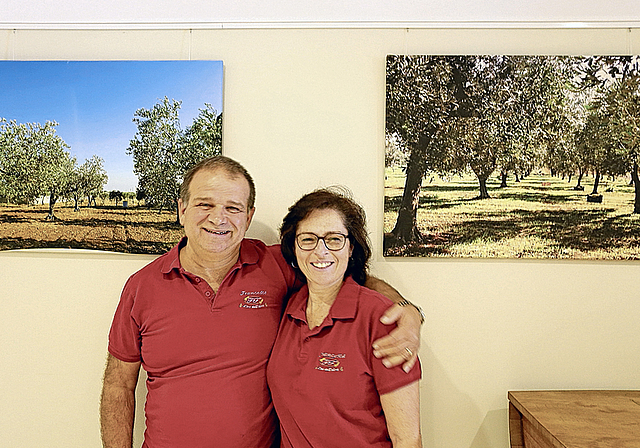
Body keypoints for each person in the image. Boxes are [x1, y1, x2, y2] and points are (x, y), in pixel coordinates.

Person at [100, 156, 423, 448]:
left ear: (249, 215)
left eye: (233, 207)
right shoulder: (142, 287)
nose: (219, 218)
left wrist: (407, 311)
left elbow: (347, 276)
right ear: (182, 209)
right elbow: (118, 384)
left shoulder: (276, 266)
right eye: (205, 204)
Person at [267, 187, 422, 447]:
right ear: (293, 248)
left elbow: (407, 438)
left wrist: (413, 311)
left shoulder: (380, 320)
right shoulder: (289, 307)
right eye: (307, 239)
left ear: (351, 248)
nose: (321, 251)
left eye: (334, 239)